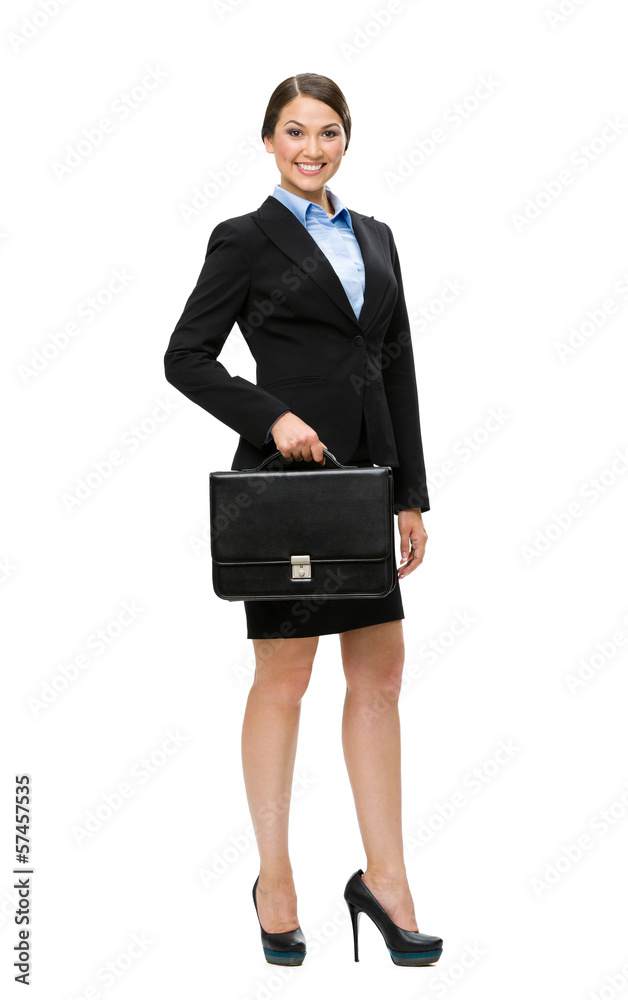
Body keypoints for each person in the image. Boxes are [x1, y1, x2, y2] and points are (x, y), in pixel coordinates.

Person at [163, 73, 442, 968]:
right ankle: (275, 881)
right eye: (294, 131)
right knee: (284, 680)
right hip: (285, 490)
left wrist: (409, 494)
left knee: (381, 675)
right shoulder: (245, 239)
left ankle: (386, 881)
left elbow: (396, 366)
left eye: (327, 132)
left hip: (364, 487)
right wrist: (271, 416)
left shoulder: (377, 237)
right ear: (269, 141)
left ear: (346, 140)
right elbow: (186, 356)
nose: (311, 148)